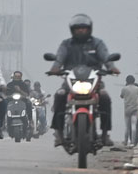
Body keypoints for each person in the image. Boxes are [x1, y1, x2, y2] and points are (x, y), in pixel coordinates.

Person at [48, 13, 118, 148]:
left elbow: (106, 58)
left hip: (94, 82)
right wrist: (55, 68)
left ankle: (104, 133)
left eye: (83, 28)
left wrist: (112, 67)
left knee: (105, 97)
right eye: (77, 28)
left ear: (89, 29)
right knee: (60, 95)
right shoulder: (66, 44)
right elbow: (59, 59)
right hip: (70, 82)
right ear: (72, 30)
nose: (81, 30)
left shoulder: (97, 43)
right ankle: (59, 132)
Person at [120, 75, 138, 146]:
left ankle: (125, 141)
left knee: (127, 126)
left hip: (127, 109)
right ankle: (132, 142)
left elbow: (121, 96)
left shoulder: (124, 89)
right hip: (135, 109)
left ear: (126, 81)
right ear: (134, 81)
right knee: (133, 125)